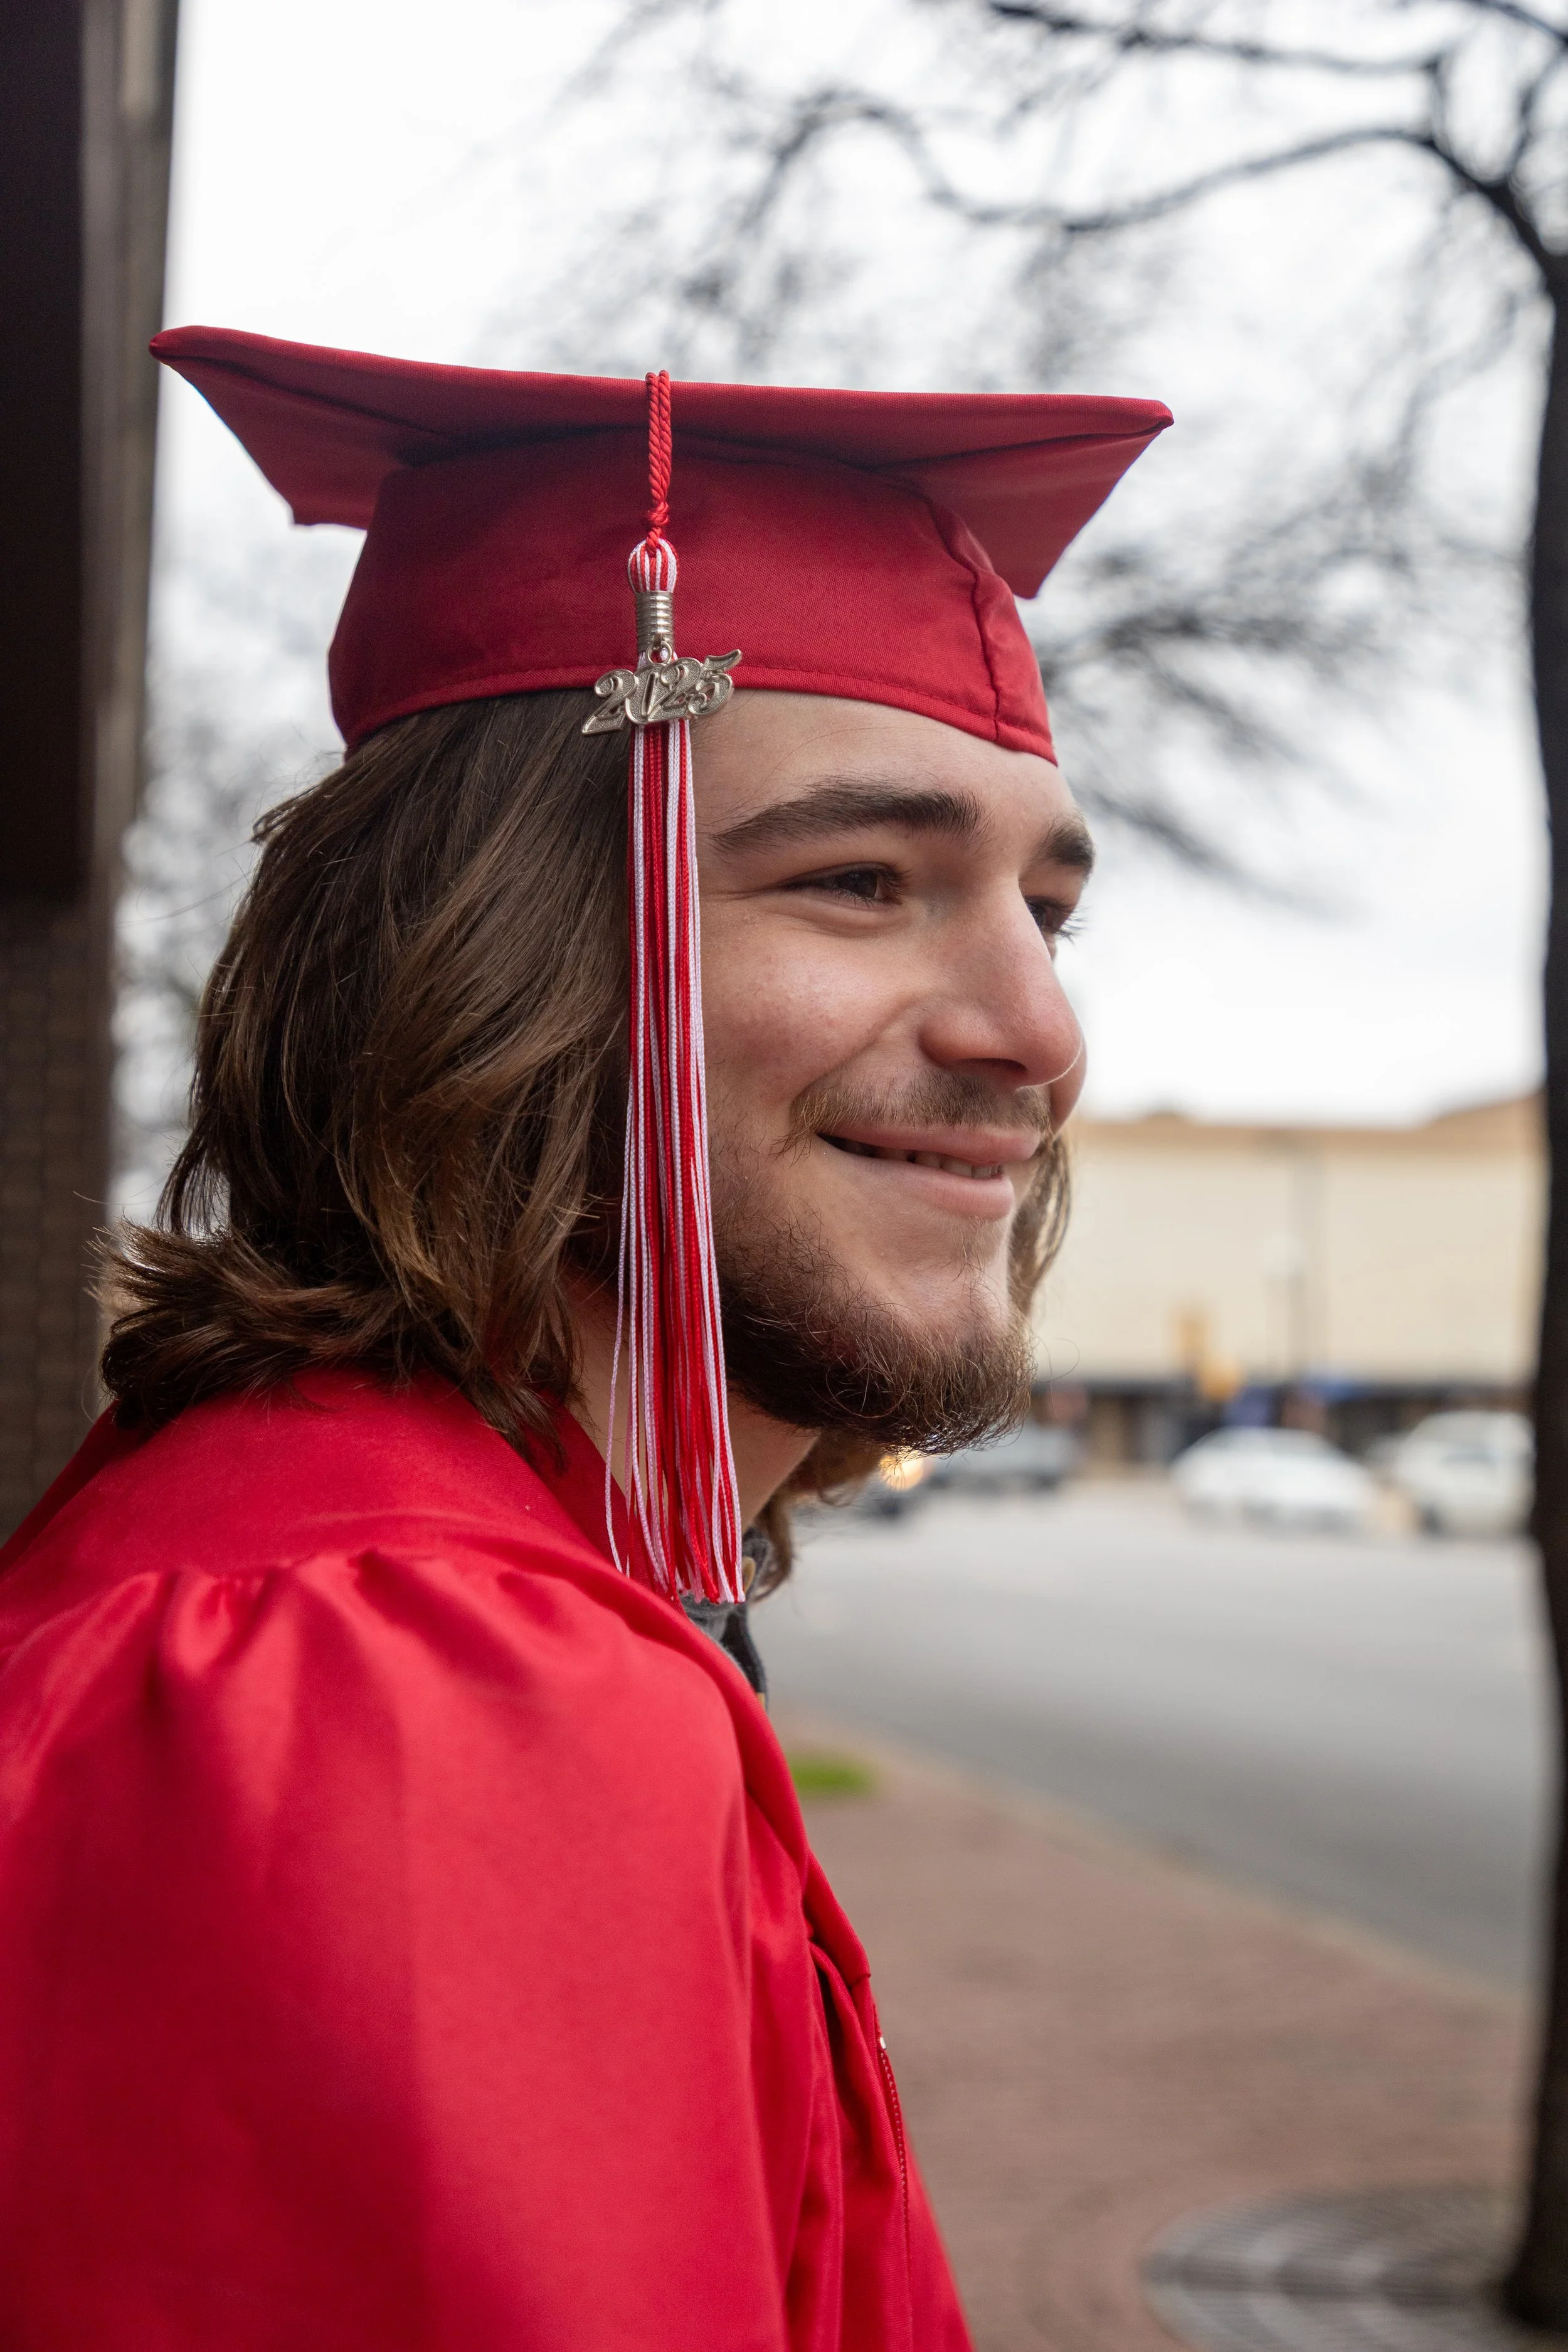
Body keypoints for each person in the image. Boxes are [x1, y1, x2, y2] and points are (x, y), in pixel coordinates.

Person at [0, 329, 1168, 2349]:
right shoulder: (392, 1692)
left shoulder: (457, 1601)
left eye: (1042, 912)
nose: (1033, 1031)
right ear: (484, 954)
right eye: (862, 879)